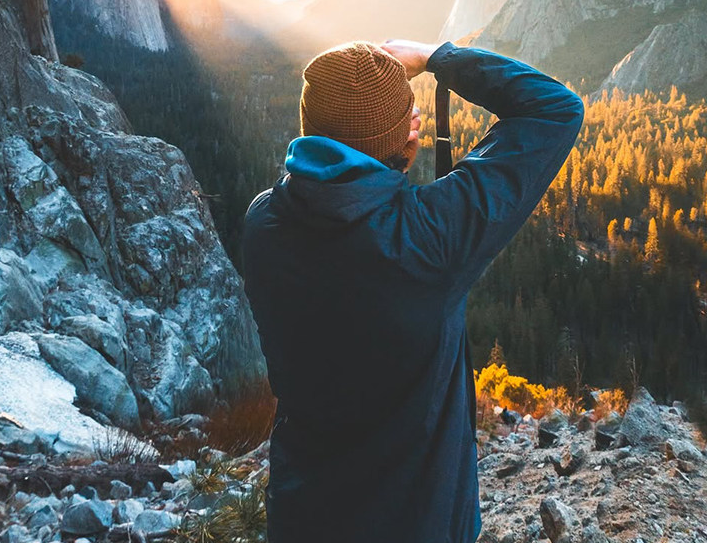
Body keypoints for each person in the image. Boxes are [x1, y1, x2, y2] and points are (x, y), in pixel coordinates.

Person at [242, 38, 584, 543]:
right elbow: (555, 108)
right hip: (418, 521)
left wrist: (379, 129)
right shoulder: (428, 240)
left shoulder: (264, 223)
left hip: (303, 513)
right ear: (405, 135)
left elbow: (329, 191)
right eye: (407, 115)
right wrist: (436, 57)